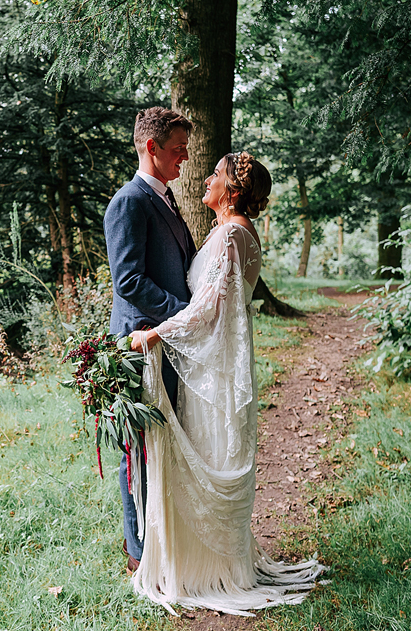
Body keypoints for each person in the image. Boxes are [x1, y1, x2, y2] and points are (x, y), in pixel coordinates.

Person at [128, 152, 325, 615]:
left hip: (213, 371)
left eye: (215, 174)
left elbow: (210, 308)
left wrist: (155, 332)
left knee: (210, 453)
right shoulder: (228, 232)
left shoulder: (233, 234)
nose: (206, 178)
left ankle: (211, 566)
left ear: (232, 191)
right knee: (206, 453)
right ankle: (202, 559)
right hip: (209, 364)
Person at [103, 107, 197, 572]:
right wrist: (184, 316)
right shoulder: (129, 202)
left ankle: (161, 537)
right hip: (141, 343)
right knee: (136, 449)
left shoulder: (167, 200)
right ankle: (138, 551)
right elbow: (128, 281)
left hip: (166, 342)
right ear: (151, 148)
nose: (184, 159)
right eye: (178, 151)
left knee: (162, 443)